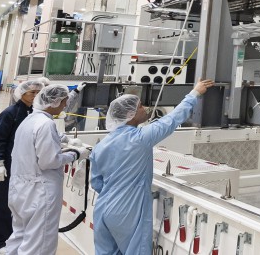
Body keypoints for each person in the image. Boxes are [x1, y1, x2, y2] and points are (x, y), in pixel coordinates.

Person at [90, 79, 214, 255]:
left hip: (103, 209)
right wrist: (195, 93)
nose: (145, 108)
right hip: (128, 211)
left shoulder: (101, 145)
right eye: (140, 107)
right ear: (130, 115)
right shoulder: (140, 139)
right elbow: (172, 120)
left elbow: (96, 183)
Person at [5, 84, 90, 255]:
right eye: (64, 102)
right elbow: (49, 161)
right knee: (39, 245)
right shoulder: (45, 124)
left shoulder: (30, 120)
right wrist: (74, 154)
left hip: (19, 189)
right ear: (54, 102)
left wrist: (64, 140)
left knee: (19, 236)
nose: (65, 105)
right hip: (39, 192)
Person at [0, 78, 48, 255]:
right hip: (4, 167)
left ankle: (7, 241)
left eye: (37, 92)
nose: (35, 95)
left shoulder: (32, 113)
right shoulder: (10, 113)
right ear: (22, 93)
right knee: (0, 205)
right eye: (31, 92)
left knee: (14, 206)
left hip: (20, 168)